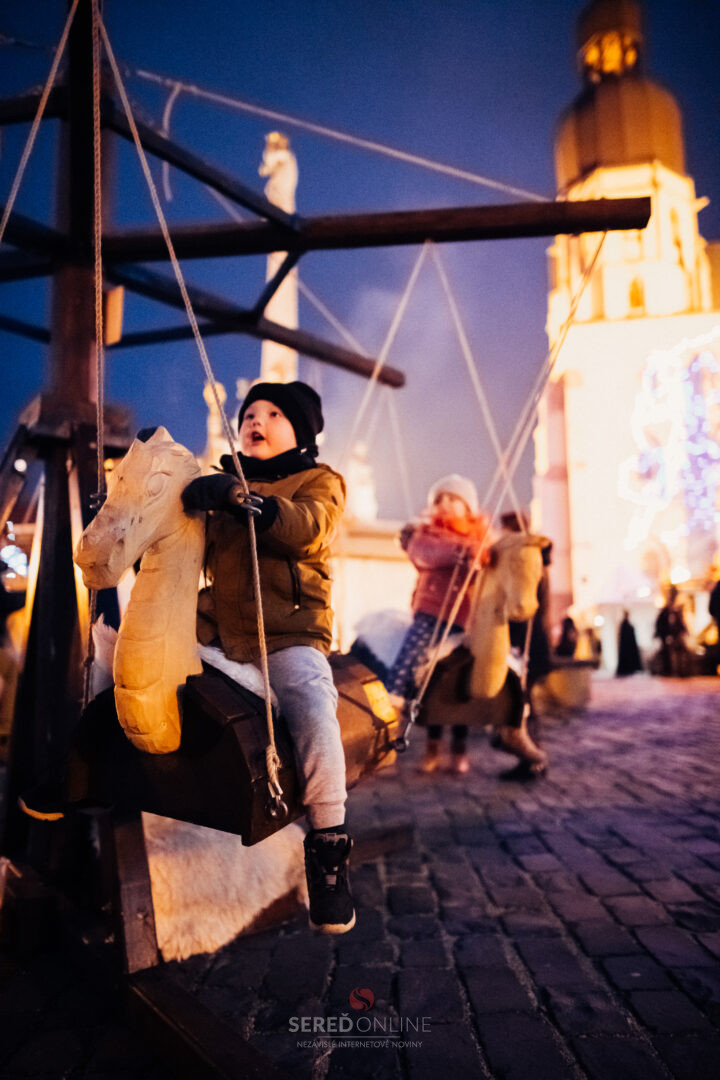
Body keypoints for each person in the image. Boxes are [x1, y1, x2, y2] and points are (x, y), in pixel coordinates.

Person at [180, 380, 354, 935]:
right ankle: (86, 771)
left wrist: (249, 503)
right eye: (250, 412)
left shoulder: (318, 480)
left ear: (299, 432)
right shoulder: (222, 488)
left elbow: (310, 528)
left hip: (286, 634)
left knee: (311, 705)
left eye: (274, 413)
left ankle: (328, 842)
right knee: (140, 669)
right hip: (219, 632)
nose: (256, 419)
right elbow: (187, 551)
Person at [385, 474, 487, 775]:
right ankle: (400, 713)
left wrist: (476, 557)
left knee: (455, 682)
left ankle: (459, 748)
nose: (445, 504)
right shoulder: (428, 533)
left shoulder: (480, 539)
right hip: (431, 612)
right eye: (440, 499)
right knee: (418, 665)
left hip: (462, 619)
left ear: (468, 507)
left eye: (453, 499)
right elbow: (425, 554)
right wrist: (459, 551)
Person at [653, 586, 688, 677]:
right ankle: (668, 670)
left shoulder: (676, 611)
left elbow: (680, 623)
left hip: (675, 635)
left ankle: (680, 671)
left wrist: (684, 631)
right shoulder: (666, 612)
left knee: (679, 652)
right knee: (667, 653)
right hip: (666, 636)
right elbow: (661, 625)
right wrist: (665, 635)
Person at [616, 610, 643, 676]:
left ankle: (630, 669)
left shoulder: (627, 624)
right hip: (626, 647)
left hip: (629, 647)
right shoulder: (624, 624)